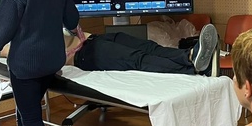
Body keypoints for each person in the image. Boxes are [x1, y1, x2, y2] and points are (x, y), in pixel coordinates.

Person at [65, 23, 219, 75]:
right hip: (83, 55)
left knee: (150, 47)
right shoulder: (42, 29)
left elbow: (72, 19)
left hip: (94, 38)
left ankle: (190, 56)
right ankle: (197, 70)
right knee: (137, 59)